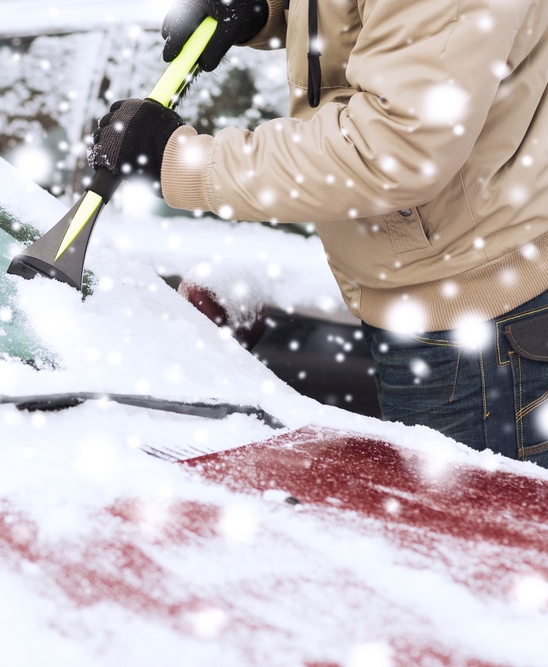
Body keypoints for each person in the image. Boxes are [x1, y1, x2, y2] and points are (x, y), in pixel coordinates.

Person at [88, 0, 548, 468]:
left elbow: (391, 150)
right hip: (436, 299)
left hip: (478, 329)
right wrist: (266, 9)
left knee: (464, 531)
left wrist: (181, 160)